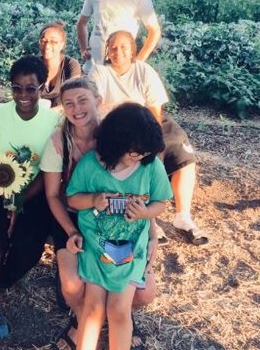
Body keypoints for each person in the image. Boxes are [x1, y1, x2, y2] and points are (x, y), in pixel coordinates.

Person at [42, 77, 159, 349]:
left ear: (98, 101)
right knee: (73, 287)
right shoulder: (59, 141)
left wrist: (151, 231)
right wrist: (71, 231)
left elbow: (141, 188)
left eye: (83, 100)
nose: (76, 108)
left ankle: (119, 313)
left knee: (145, 293)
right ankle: (82, 319)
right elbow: (53, 195)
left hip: (119, 220)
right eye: (68, 103)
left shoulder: (118, 134)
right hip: (72, 215)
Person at [66, 103, 172, 350]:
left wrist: (146, 212)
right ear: (116, 143)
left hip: (131, 250)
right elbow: (72, 199)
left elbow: (162, 202)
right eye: (135, 153)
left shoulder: (151, 167)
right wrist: (93, 200)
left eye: (146, 153)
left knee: (119, 311)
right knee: (92, 309)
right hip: (95, 246)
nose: (141, 158)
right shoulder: (91, 165)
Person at [0, 55, 61, 339]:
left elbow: (49, 170)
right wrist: (5, 191)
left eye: (30, 88)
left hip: (35, 191)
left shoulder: (54, 121)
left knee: (29, 249)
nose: (23, 95)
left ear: (42, 87)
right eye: (17, 88)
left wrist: (20, 199)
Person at [89, 31, 208, 246]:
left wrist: (147, 136)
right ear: (107, 50)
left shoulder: (144, 71)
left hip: (147, 123)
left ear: (133, 50)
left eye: (124, 47)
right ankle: (150, 219)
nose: (118, 52)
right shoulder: (99, 72)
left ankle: (183, 216)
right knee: (140, 158)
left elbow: (155, 111)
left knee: (182, 149)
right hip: (116, 126)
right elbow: (96, 109)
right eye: (113, 47)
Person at [39, 21, 81, 108]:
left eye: (53, 42)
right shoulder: (32, 65)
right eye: (43, 41)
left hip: (64, 114)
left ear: (62, 45)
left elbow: (73, 96)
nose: (47, 46)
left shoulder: (71, 65)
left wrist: (50, 114)